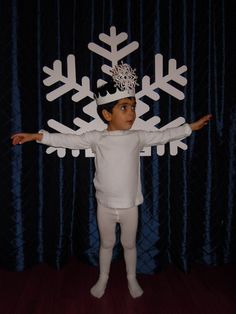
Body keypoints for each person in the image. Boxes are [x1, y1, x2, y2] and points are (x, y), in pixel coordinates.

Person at [11, 63, 212, 299]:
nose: (131, 113)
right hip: (105, 206)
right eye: (124, 107)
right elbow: (68, 140)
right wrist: (38, 136)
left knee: (129, 245)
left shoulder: (138, 137)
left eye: (133, 107)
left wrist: (190, 127)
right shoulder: (98, 138)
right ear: (107, 114)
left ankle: (131, 279)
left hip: (129, 206)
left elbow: (164, 135)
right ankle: (103, 278)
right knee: (106, 244)